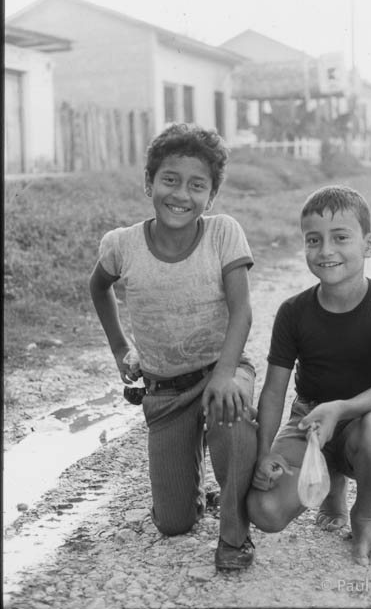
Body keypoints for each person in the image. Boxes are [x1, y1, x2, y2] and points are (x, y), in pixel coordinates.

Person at [89, 123, 257, 571]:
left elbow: (242, 312)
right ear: (149, 183)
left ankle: (235, 528)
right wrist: (119, 348)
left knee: (231, 406)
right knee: (173, 523)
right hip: (164, 390)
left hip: (221, 370)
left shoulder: (223, 233)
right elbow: (98, 286)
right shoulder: (122, 245)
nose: (181, 194)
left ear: (211, 196)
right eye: (170, 180)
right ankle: (197, 487)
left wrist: (224, 374)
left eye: (196, 185)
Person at [247, 185, 371, 566]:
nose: (326, 251)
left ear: (368, 244)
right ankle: (330, 482)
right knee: (265, 512)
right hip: (308, 424)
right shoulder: (293, 311)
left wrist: (340, 409)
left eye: (340, 238)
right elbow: (274, 392)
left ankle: (365, 516)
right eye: (313, 240)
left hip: (362, 425)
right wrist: (264, 453)